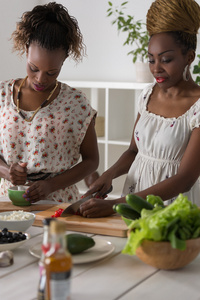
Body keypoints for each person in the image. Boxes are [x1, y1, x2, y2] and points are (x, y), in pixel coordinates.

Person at [80, 0, 200, 218]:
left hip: (173, 208)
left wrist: (116, 204)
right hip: (133, 199)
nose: (156, 68)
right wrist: (109, 174)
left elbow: (186, 179)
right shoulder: (147, 95)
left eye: (166, 59)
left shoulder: (198, 106)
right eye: (151, 59)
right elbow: (134, 151)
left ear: (189, 57)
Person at [0, 2, 99, 203]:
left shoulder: (76, 103)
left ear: (64, 60)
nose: (40, 79)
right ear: (26, 49)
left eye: (52, 72)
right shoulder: (2, 95)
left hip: (57, 202)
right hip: (6, 203)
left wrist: (51, 185)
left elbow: (91, 161)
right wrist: (6, 172)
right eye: (33, 68)